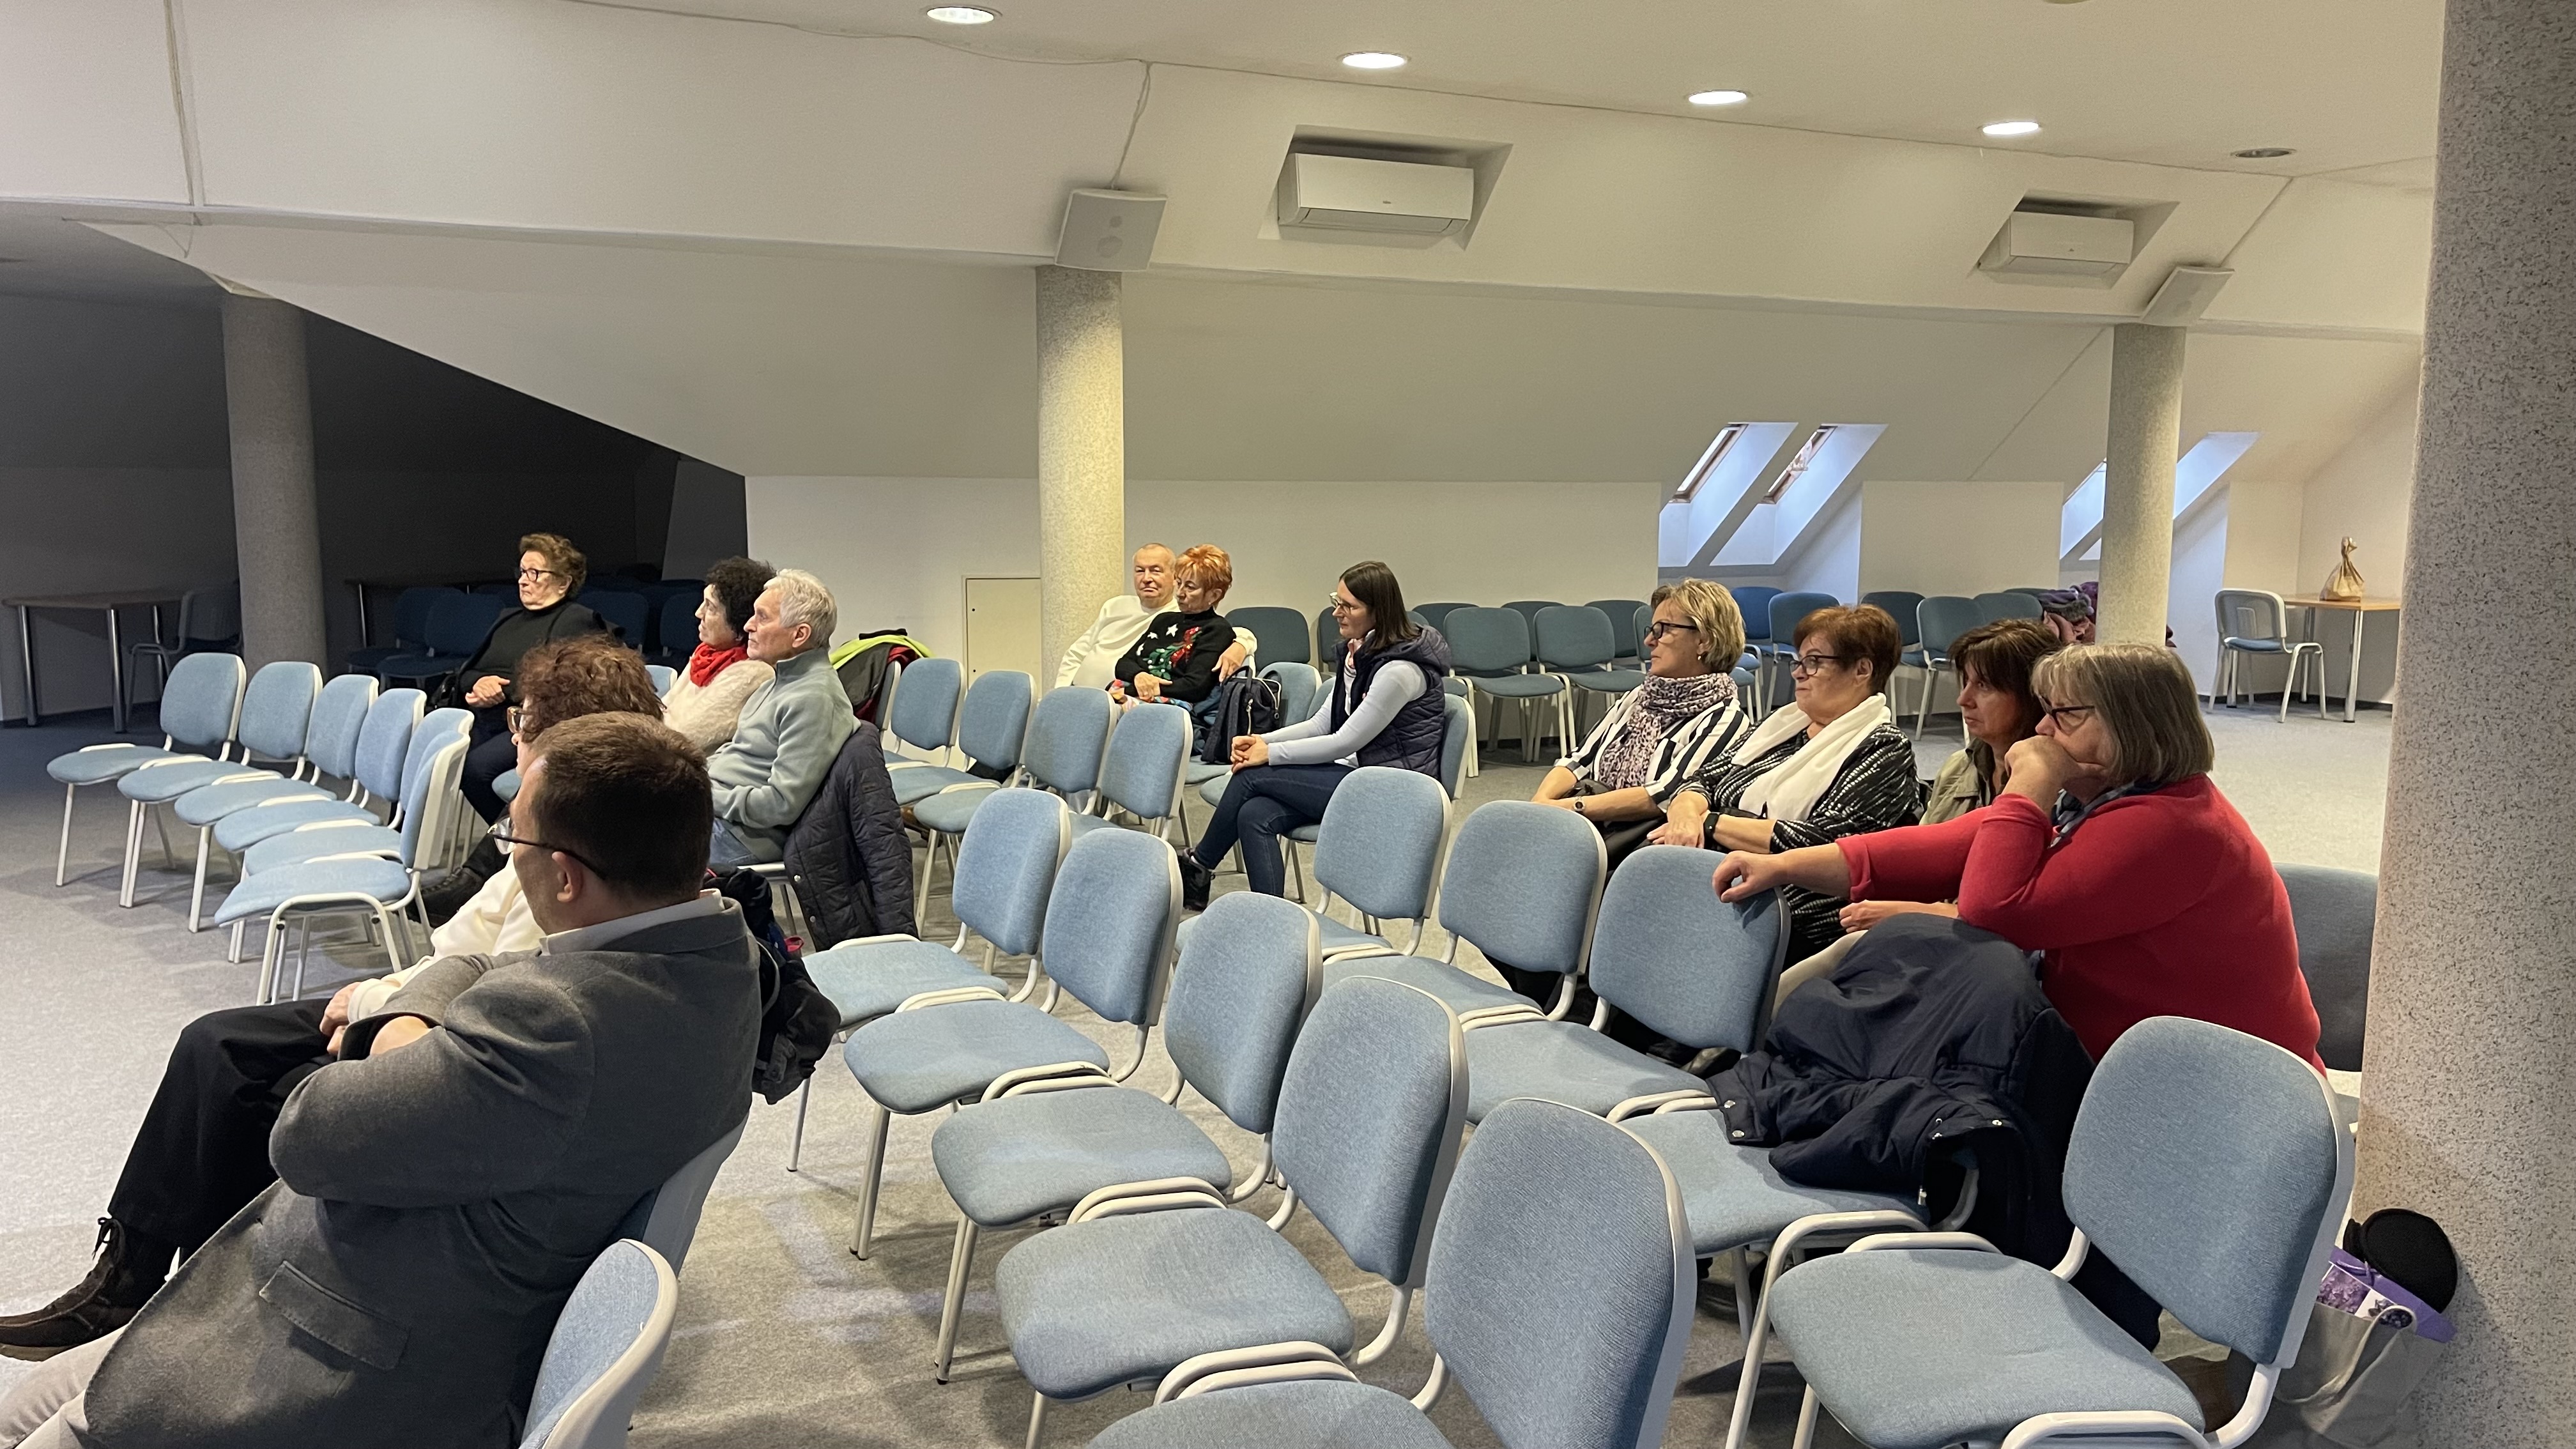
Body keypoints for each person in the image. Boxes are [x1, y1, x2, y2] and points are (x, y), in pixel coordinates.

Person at [0, 713, 761, 1449]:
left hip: (352, 1363)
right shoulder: (719, 960)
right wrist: (426, 1013)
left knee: (23, 1421)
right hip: (422, 1296)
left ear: (565, 878)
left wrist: (397, 1021)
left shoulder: (555, 1025)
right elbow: (485, 963)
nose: (507, 852)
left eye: (512, 837)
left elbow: (307, 1135)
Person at [1713, 642, 2324, 1070]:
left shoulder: (2173, 826)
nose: (2044, 731)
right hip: (2115, 1055)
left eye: (2064, 715)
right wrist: (1783, 865)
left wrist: (2028, 784)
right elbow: (1939, 848)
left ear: (2134, 725)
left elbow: (1996, 909)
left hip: (2210, 1084)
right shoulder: (2098, 801)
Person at [1763, 618, 2063, 1008]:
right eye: (1965, 683)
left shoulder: (2057, 789)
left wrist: (1915, 911)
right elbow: (1919, 861)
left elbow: (2021, 910)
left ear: (2030, 695)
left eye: (1984, 687)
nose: (1963, 700)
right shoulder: (1961, 766)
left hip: (1996, 958)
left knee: (1837, 959)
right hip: (1940, 929)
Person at [1655, 603, 1920, 964]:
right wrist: (1686, 815)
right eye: (1799, 661)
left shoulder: (1882, 747)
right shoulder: (1782, 725)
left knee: (1657, 922)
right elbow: (1704, 779)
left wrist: (1712, 822)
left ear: (1862, 670)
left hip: (1794, 909)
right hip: (1723, 877)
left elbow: (1826, 844)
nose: (1798, 673)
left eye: (1814, 662)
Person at [1177, 561, 1450, 910]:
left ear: (1378, 612)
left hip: (1389, 790)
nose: (1336, 612)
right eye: (1337, 601)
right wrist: (1264, 741)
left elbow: (1345, 741)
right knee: (1254, 814)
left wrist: (1269, 755)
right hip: (1355, 774)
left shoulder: (1399, 671)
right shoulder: (1359, 653)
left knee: (1252, 776)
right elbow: (1322, 723)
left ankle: (1198, 866)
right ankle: (1271, 916)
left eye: (1349, 606)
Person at [1532, 579, 1750, 869]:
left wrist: (1569, 807)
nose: (1649, 641)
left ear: (1704, 640)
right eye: (1652, 630)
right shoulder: (1639, 696)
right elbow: (1579, 760)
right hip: (1588, 826)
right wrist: (1541, 802)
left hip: (1637, 850)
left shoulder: (1725, 718)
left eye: (1663, 630)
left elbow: (1664, 794)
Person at [707, 567, 857, 867]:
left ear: (800, 635)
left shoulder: (813, 698)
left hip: (744, 835)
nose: (748, 625)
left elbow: (781, 804)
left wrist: (705, 798)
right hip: (719, 814)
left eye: (762, 617)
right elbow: (736, 752)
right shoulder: (777, 683)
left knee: (622, 852)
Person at [456, 532, 611, 823]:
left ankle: (516, 835)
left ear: (563, 583)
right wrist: (478, 684)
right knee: (434, 755)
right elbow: (468, 672)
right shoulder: (508, 618)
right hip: (488, 718)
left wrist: (499, 690)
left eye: (534, 573)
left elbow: (562, 684)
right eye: (522, 571)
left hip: (537, 723)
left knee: (476, 770)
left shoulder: (577, 620)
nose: (523, 581)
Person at [1055, 542, 1253, 691]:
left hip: (1125, 700)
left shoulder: (1185, 614)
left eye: (1155, 571)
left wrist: (1242, 645)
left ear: (1172, 576)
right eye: (1140, 571)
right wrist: (1060, 694)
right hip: (1083, 696)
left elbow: (1230, 631)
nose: (1146, 578)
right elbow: (1076, 654)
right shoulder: (1116, 606)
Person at [663, 556, 778, 752]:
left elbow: (683, 737)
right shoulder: (706, 653)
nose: (699, 613)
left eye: (711, 607)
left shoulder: (754, 672)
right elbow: (665, 708)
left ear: (739, 624)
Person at [1110, 544, 1238, 711]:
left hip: (1171, 708)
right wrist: (1139, 676)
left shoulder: (1216, 630)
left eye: (1190, 587)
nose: (1180, 593)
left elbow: (1195, 687)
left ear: (1214, 595)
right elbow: (1124, 664)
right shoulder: (1163, 620)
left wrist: (1141, 688)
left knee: (1106, 707)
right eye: (1179, 583)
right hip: (1133, 696)